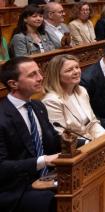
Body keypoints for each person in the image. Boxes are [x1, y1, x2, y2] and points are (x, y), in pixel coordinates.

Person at [0, 57, 60, 212]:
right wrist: (44, 160)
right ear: (13, 84)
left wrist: (86, 143)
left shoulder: (38, 106)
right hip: (16, 188)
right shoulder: (2, 116)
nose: (40, 78)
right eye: (32, 75)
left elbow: (54, 140)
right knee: (53, 199)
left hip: (47, 177)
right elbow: (2, 167)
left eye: (39, 72)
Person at [42, 54, 105, 142]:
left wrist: (104, 139)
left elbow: (92, 123)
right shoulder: (51, 101)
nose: (76, 72)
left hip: (94, 140)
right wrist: (91, 144)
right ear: (57, 75)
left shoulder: (82, 91)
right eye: (69, 70)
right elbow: (62, 136)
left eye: (77, 67)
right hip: (77, 146)